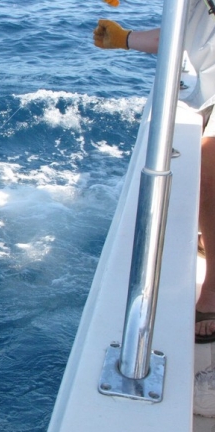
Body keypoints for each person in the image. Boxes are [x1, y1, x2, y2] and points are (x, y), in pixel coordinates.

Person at [93, 0, 215, 343]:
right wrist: (125, 38)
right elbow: (181, 35)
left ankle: (212, 292)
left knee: (208, 168)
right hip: (206, 86)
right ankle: (209, 234)